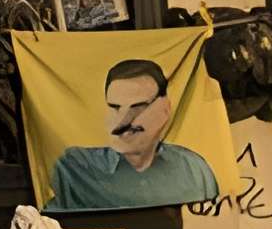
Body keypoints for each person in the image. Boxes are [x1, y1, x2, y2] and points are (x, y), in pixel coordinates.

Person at [46, 60, 221, 212]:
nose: (123, 120)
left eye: (137, 108)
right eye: (115, 107)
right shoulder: (75, 169)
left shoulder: (194, 171)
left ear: (165, 110)